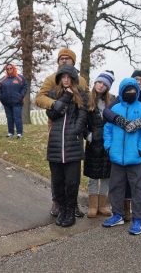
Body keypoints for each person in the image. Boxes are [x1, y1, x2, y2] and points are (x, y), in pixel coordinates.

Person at [35, 47, 88, 218]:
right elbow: (40, 98)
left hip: (74, 131)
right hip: (56, 127)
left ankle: (72, 204)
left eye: (68, 58)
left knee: (73, 170)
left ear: (73, 62)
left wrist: (81, 127)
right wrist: (54, 104)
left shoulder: (81, 80)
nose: (64, 60)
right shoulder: (52, 79)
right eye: (61, 58)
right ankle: (57, 201)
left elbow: (85, 102)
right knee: (57, 170)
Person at [103, 69, 141, 221]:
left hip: (137, 155)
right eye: (134, 80)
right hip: (116, 156)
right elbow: (108, 124)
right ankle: (118, 214)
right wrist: (109, 146)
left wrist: (140, 149)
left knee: (137, 187)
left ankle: (138, 218)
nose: (137, 82)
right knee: (116, 186)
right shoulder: (116, 105)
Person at [45, 64, 87, 227]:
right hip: (55, 144)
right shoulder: (53, 94)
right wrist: (66, 97)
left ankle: (70, 211)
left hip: (73, 144)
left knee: (71, 182)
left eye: (69, 77)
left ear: (74, 79)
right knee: (58, 181)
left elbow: (82, 117)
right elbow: (52, 114)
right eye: (63, 77)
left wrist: (75, 132)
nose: (66, 80)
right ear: (59, 78)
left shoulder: (82, 95)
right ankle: (62, 210)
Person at [83, 71, 115, 218]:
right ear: (95, 83)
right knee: (93, 176)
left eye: (104, 84)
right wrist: (88, 136)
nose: (101, 85)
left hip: (108, 144)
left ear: (108, 87)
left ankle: (102, 205)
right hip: (93, 144)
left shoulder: (112, 102)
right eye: (99, 82)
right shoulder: (87, 100)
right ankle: (93, 205)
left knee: (106, 175)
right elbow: (81, 121)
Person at [0, 63, 27, 139]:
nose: (9, 70)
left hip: (17, 102)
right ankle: (10, 133)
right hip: (7, 103)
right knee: (9, 118)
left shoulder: (20, 78)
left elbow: (25, 87)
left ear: (14, 68)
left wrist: (21, 96)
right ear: (6, 70)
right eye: (8, 69)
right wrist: (2, 98)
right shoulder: (2, 79)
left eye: (11, 68)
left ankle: (19, 133)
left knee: (17, 117)